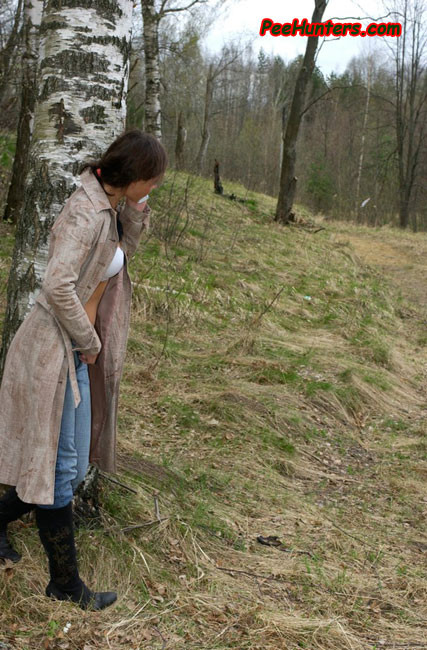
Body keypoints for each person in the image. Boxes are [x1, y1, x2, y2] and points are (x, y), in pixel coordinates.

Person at [0, 128, 168, 610]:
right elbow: (56, 285)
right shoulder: (85, 210)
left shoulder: (111, 208)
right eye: (150, 182)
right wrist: (89, 339)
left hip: (73, 352)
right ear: (132, 174)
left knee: (68, 473)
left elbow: (121, 257)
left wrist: (136, 211)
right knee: (58, 471)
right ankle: (65, 585)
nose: (153, 189)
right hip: (52, 348)